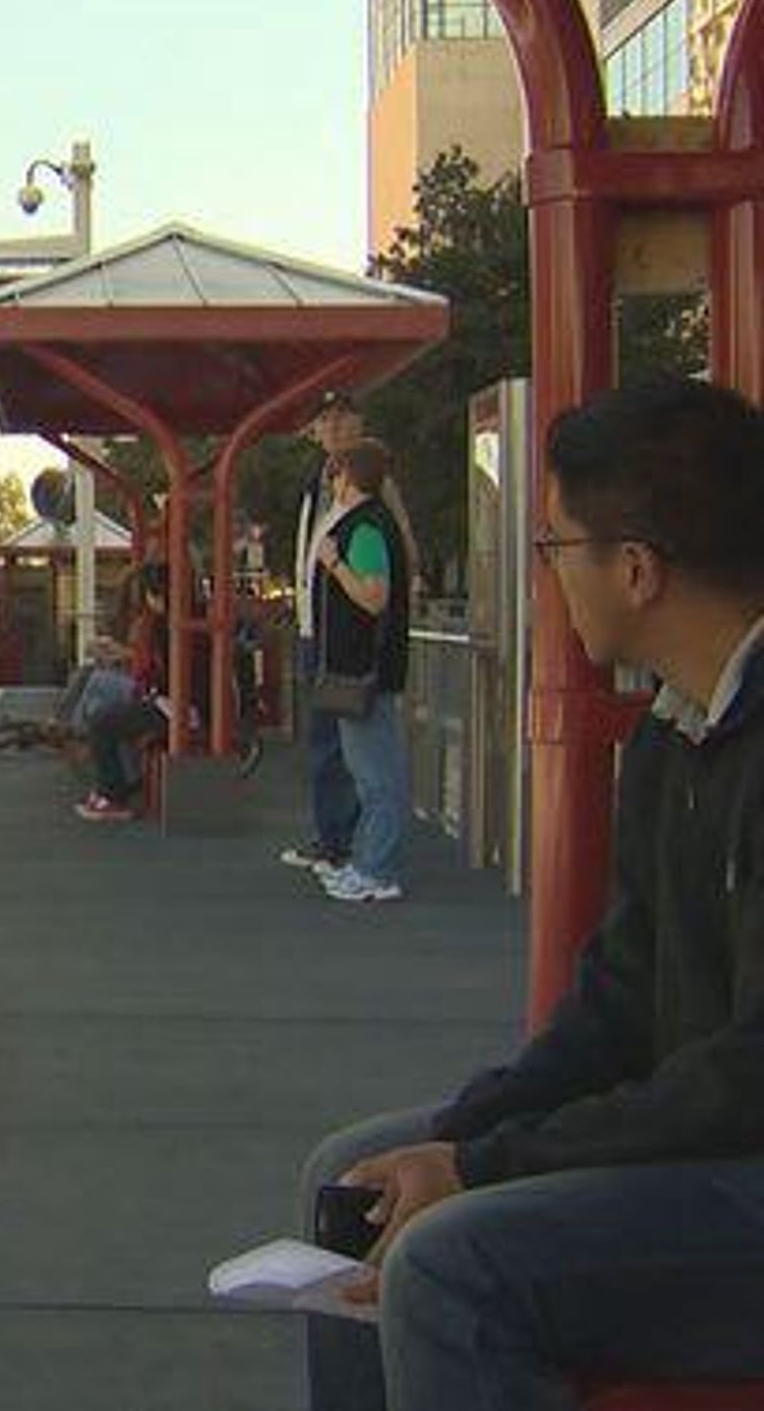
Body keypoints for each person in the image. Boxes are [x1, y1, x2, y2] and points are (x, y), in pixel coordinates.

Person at [298, 377, 764, 1411]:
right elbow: (613, 1001)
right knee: (355, 1175)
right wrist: (462, 1135)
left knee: (450, 1267)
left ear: (635, 569)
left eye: (555, 548)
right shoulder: (667, 739)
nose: (546, 577)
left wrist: (480, 1165)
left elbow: (744, 1073)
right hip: (712, 1146)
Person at [282, 392, 420, 876]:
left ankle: (361, 851)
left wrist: (340, 568)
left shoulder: (373, 497)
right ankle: (337, 838)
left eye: (341, 418)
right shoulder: (312, 486)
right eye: (324, 420)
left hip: (352, 638)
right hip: (316, 626)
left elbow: (392, 560)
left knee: (361, 751)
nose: (332, 427)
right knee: (329, 739)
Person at [309, 439, 411, 903]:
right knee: (368, 769)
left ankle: (376, 869)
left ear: (348, 476)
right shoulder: (368, 524)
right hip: (361, 669)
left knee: (375, 775)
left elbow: (374, 596)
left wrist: (335, 564)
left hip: (363, 670)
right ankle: (368, 862)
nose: (331, 482)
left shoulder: (366, 529)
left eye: (335, 474)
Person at [71, 564, 171, 822]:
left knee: (97, 694)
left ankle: (111, 791)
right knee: (98, 702)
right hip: (160, 697)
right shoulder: (160, 622)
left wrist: (120, 655)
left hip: (167, 703)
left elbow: (149, 670)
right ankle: (117, 779)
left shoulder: (161, 624)